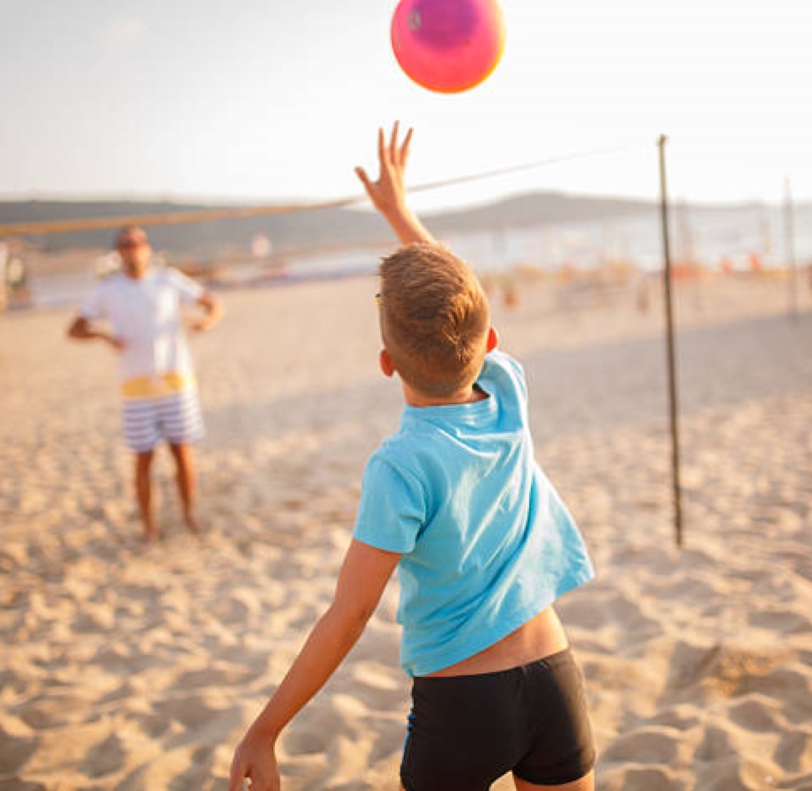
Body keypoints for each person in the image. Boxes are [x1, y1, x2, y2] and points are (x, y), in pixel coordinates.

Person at [228, 123, 596, 791]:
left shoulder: (399, 465)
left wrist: (265, 729)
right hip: (555, 675)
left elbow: (348, 613)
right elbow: (462, 293)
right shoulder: (507, 389)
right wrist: (400, 213)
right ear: (488, 340)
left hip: (462, 706)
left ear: (384, 362)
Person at [67, 225, 224, 543]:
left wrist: (206, 322)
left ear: (148, 248)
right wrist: (102, 336)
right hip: (136, 386)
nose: (132, 248)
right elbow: (74, 329)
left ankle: (188, 516)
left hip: (175, 379)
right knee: (143, 457)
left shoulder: (168, 279)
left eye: (138, 242)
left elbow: (213, 304)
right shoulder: (108, 289)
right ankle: (149, 527)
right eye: (126, 243)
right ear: (119, 252)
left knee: (182, 452)